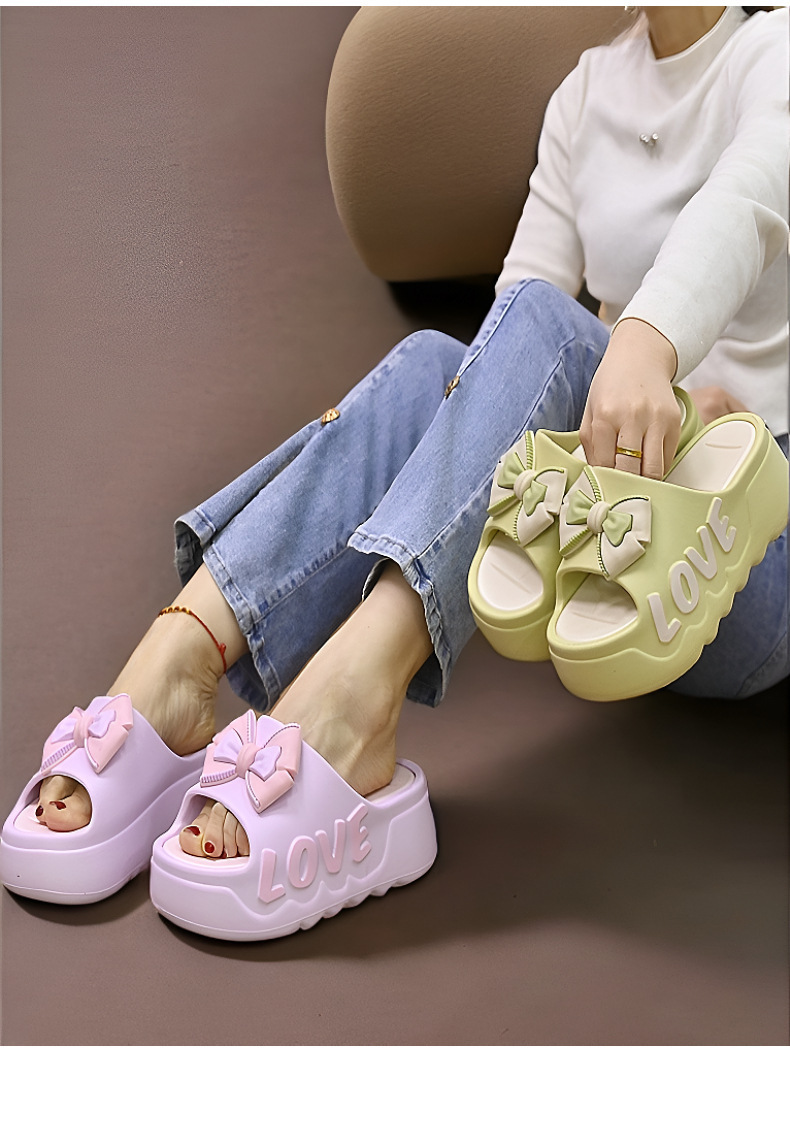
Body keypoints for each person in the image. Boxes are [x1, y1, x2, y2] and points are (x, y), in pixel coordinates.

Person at [7, 8, 788, 885]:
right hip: (606, 551)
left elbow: (747, 200)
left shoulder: (775, 50)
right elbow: (509, 344)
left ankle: (354, 702)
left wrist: (645, 350)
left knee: (547, 329)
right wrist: (602, 388)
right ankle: (181, 666)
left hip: (754, 544)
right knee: (436, 366)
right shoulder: (586, 95)